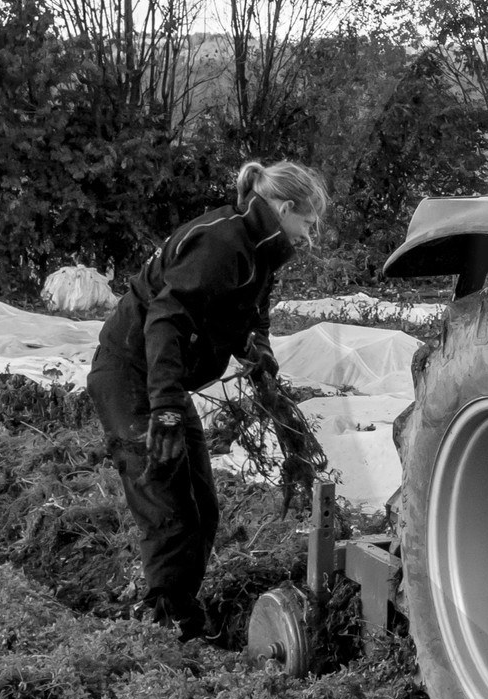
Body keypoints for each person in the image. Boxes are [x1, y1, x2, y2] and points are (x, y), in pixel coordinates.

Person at [86, 160, 330, 640]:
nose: (310, 236)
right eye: (307, 222)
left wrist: (258, 352)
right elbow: (165, 319)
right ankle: (163, 629)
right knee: (170, 511)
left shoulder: (257, 253)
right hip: (132, 377)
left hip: (160, 382)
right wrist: (168, 407)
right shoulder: (221, 243)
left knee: (203, 508)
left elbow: (250, 315)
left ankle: (179, 613)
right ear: (283, 208)